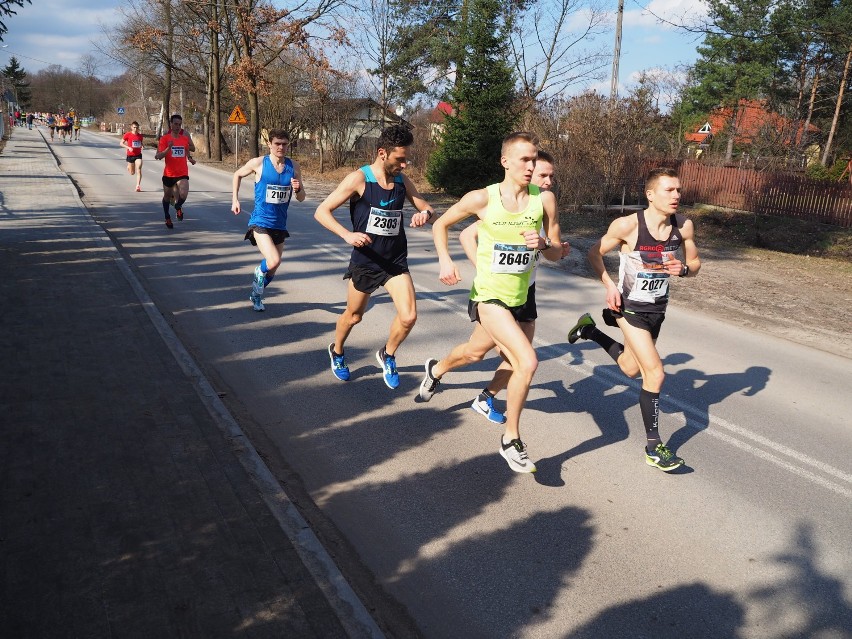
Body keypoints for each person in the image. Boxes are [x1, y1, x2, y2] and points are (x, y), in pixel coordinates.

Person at [419, 132, 564, 473]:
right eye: (525, 160)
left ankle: (436, 369)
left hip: (522, 296)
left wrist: (543, 244)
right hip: (489, 296)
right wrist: (445, 260)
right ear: (506, 162)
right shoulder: (482, 199)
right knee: (526, 361)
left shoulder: (544, 201)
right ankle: (510, 439)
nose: (531, 166)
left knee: (474, 353)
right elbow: (442, 224)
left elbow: (557, 252)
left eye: (534, 159)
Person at [566, 166, 701, 472]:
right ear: (650, 195)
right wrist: (609, 285)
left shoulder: (684, 227)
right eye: (669, 190)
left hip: (657, 309)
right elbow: (593, 253)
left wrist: (683, 269)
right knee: (655, 373)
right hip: (628, 308)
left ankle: (590, 331)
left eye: (679, 190)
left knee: (629, 368)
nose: (677, 195)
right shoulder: (627, 225)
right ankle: (654, 447)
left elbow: (694, 264)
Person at [314, 124, 435, 389]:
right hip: (366, 261)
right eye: (399, 159)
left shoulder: (402, 181)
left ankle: (388, 354)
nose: (404, 165)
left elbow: (426, 206)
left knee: (409, 316)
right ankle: (337, 350)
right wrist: (347, 235)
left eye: (406, 159)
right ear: (382, 153)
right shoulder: (359, 179)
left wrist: (424, 213)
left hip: (394, 262)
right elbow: (322, 211)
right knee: (354, 316)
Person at [456, 150, 569, 424]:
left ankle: (486, 397)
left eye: (551, 176)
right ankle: (437, 371)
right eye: (543, 174)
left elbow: (554, 253)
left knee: (519, 357)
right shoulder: (505, 205)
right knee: (476, 352)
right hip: (494, 291)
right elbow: (466, 234)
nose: (547, 181)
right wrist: (481, 267)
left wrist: (550, 247)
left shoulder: (544, 205)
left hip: (525, 289)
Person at [231, 128, 306, 312]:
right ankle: (258, 273)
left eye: (284, 144)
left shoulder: (294, 167)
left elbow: (302, 197)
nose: (281, 147)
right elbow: (237, 174)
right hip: (260, 221)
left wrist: (298, 189)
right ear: (270, 145)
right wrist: (235, 199)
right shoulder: (258, 163)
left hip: (280, 224)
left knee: (273, 269)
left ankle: (256, 294)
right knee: (272, 261)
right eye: (277, 144)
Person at [154, 114, 196, 229]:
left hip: (182, 173)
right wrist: (168, 148)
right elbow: (158, 156)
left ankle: (178, 206)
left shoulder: (184, 138)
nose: (178, 127)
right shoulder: (165, 139)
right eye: (175, 124)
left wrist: (190, 159)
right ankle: (167, 217)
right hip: (169, 174)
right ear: (171, 124)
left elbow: (187, 150)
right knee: (167, 197)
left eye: (179, 124)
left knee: (183, 193)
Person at [120, 121, 145, 192]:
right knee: (132, 173)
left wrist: (142, 146)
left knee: (139, 168)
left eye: (137, 127)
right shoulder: (127, 134)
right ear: (131, 127)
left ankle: (138, 186)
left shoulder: (140, 136)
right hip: (130, 155)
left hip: (138, 155)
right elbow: (121, 143)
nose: (135, 129)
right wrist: (128, 148)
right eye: (134, 127)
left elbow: (140, 142)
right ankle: (129, 166)